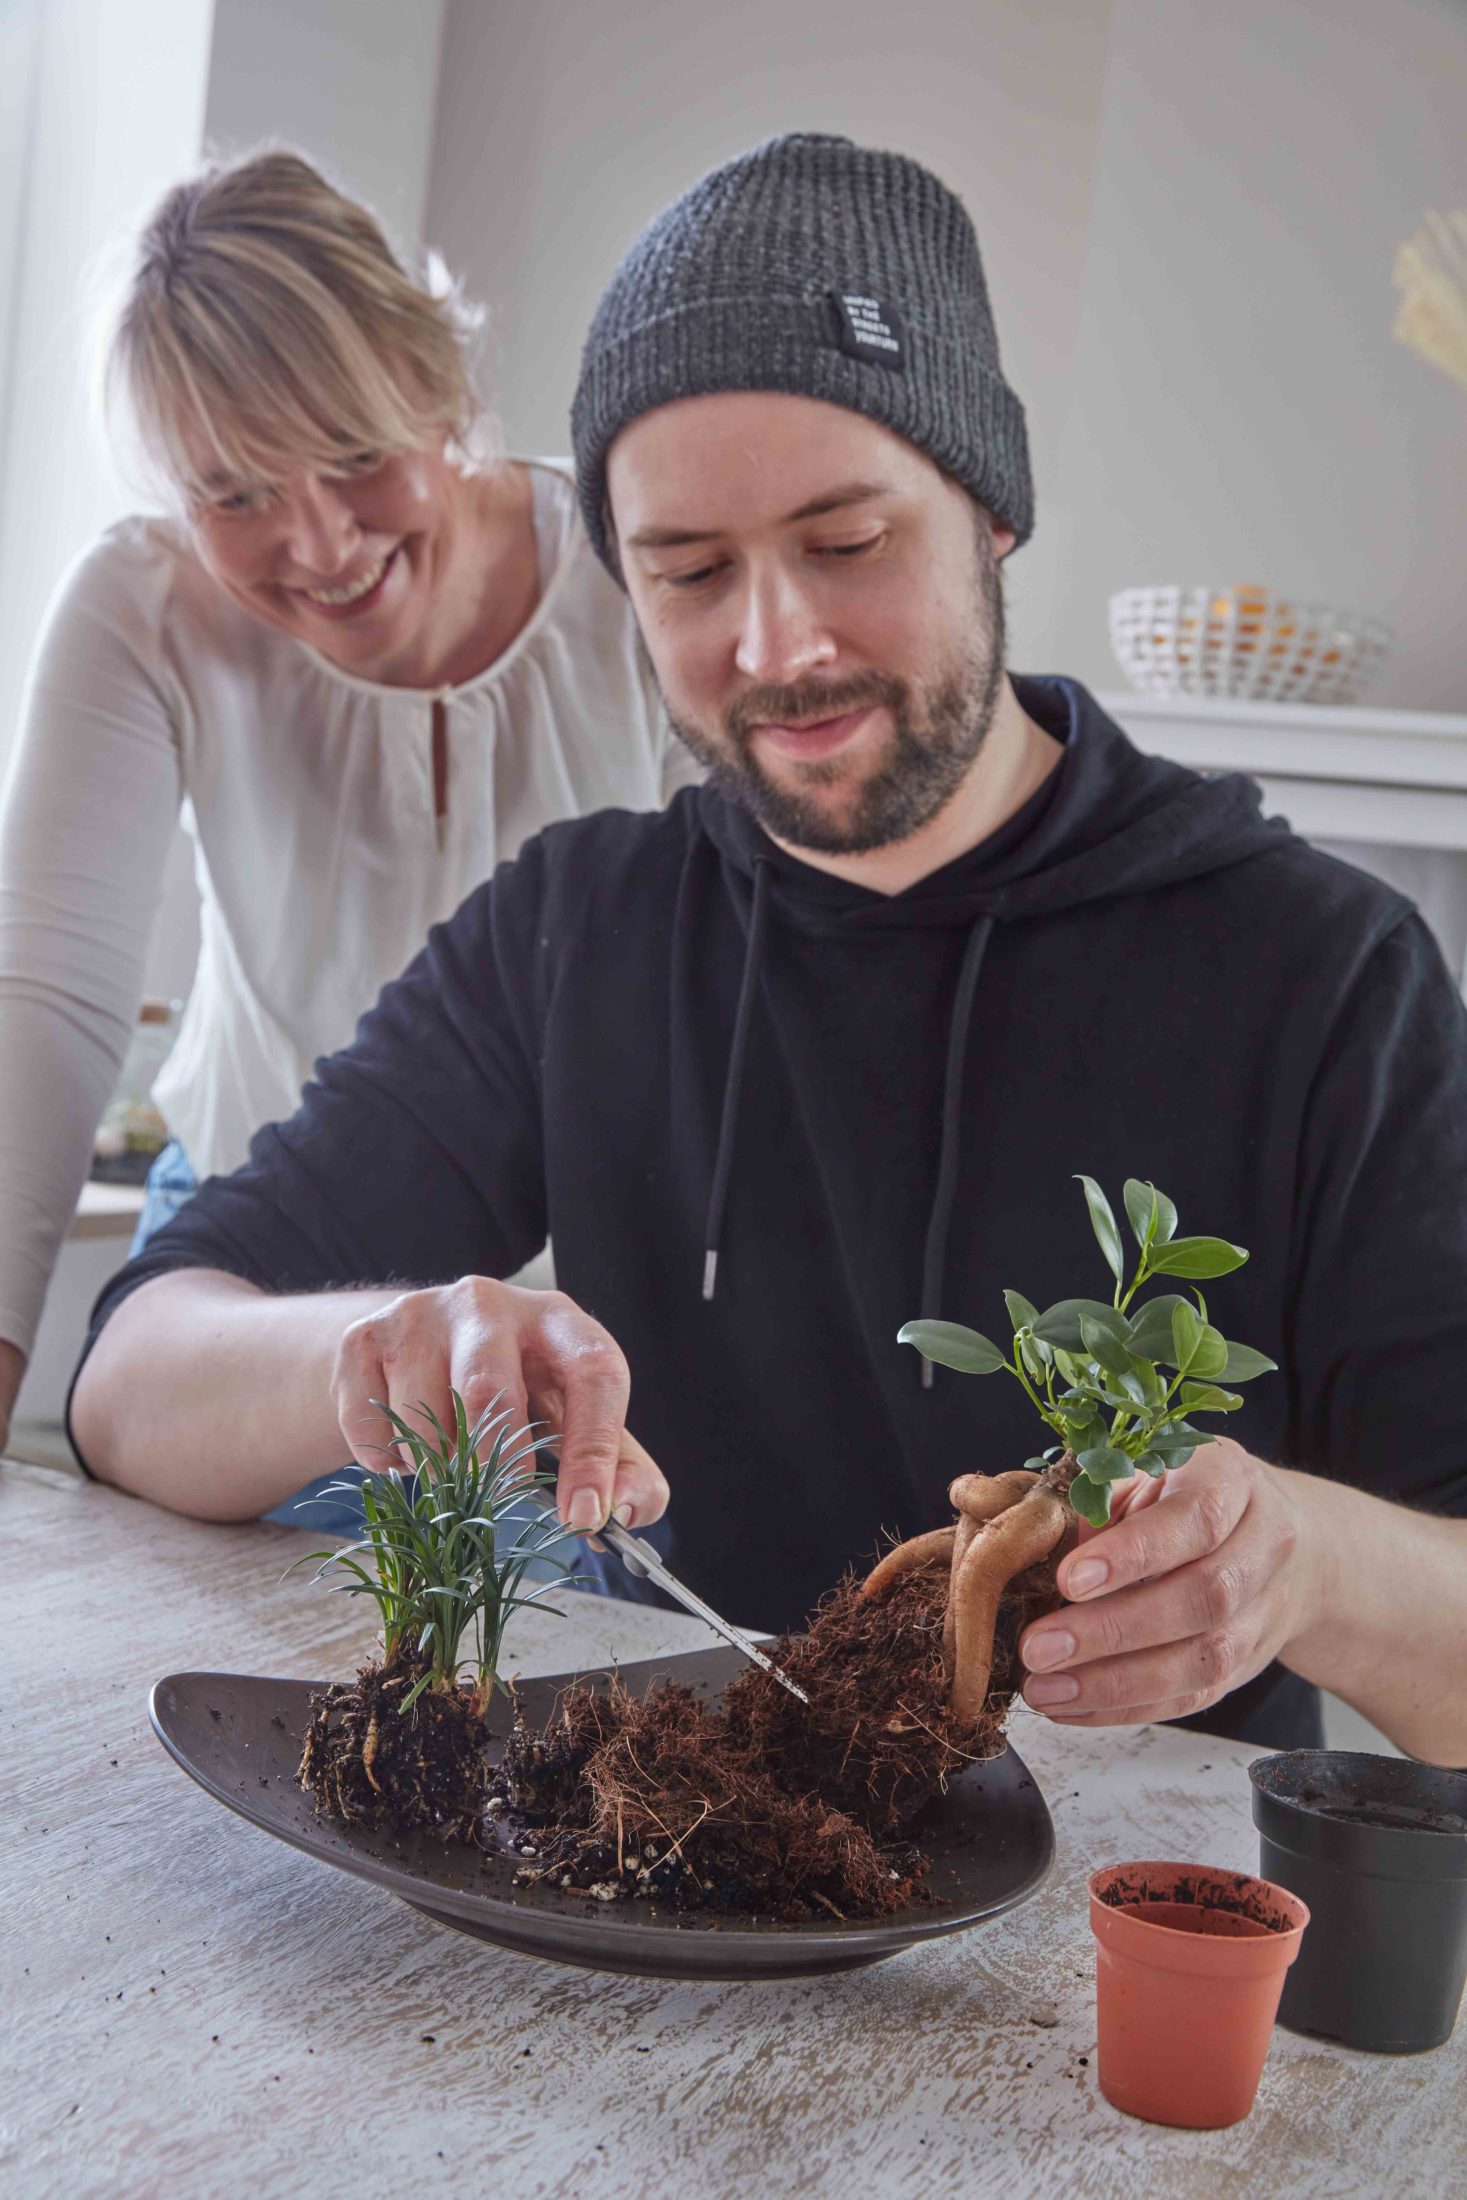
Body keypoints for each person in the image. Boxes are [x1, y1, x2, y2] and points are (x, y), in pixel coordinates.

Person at [70, 135, 1467, 1762]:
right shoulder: (577, 928)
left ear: (991, 508)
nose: (776, 645)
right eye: (689, 571)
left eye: (848, 543)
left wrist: (1310, 1571)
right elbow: (130, 1383)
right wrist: (371, 1355)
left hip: (1115, 1931)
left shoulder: (1323, 974)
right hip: (678, 1857)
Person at [0, 149, 698, 1456]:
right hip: (239, 1286)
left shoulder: (634, 581)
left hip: (557, 1324)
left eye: (351, 454)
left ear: (439, 389)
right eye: (236, 493)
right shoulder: (144, 606)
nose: (317, 545)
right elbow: (43, 1002)